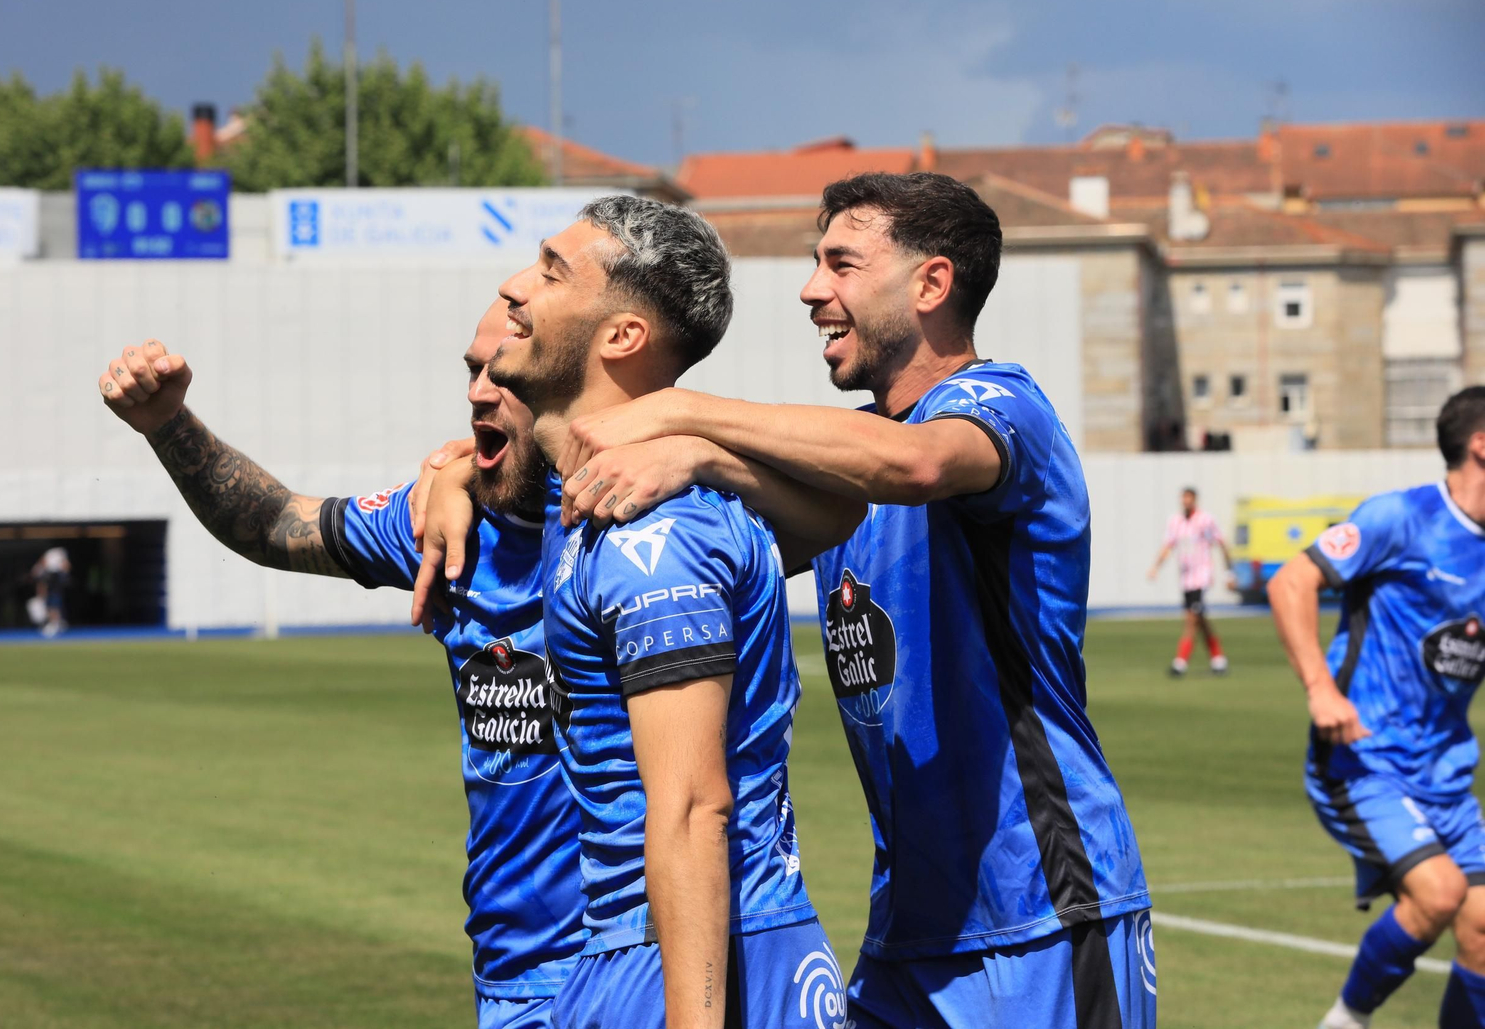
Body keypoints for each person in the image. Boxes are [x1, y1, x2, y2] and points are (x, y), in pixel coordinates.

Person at [99, 304, 853, 1029]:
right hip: (517, 978)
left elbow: (859, 490)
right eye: (472, 371)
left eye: (505, 374)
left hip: (661, 957)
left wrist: (702, 446)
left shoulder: (661, 511)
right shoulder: (444, 524)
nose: (478, 392)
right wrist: (169, 425)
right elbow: (271, 523)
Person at [553, 173, 1154, 1027]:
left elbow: (914, 467)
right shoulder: (843, 473)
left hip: (1044, 916)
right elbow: (729, 565)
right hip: (908, 933)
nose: (810, 290)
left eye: (840, 264)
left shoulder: (999, 406)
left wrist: (682, 415)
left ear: (931, 284)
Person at [457, 196, 858, 1029]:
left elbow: (689, 806)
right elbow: (829, 519)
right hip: (640, 948)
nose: (516, 289)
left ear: (621, 337)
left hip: (688, 959)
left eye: (550, 271)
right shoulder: (612, 497)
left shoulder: (649, 530)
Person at [1268, 386, 1485, 1029]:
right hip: (1364, 760)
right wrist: (1320, 688)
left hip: (1445, 774)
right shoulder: (1403, 518)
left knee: (1482, 932)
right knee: (1440, 893)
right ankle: (1344, 1022)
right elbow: (1291, 581)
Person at [1147, 486, 1232, 676]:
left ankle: (1180, 661)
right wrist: (1155, 567)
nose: (1185, 502)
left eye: (1189, 498)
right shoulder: (1175, 521)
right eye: (1183, 498)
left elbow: (1221, 543)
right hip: (1186, 578)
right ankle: (1218, 658)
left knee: (1191, 618)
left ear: (1195, 500)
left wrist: (1229, 573)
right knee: (1199, 618)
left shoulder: (1205, 520)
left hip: (1201, 576)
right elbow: (1168, 546)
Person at [33, 546, 72, 637]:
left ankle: (55, 624)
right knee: (51, 604)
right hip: (52, 581)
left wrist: (65, 573)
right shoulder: (49, 560)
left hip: (55, 581)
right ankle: (56, 623)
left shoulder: (58, 556)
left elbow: (66, 565)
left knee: (54, 604)